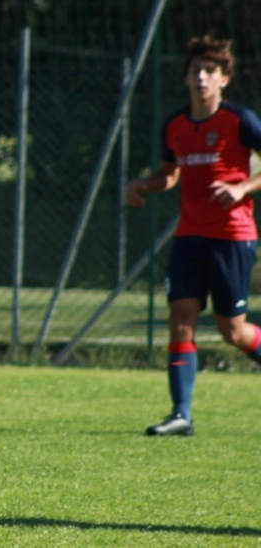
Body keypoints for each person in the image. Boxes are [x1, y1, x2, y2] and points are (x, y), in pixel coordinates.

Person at [125, 35, 261, 437]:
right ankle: (180, 414)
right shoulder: (176, 125)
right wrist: (143, 185)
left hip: (232, 236)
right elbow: (170, 174)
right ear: (185, 79)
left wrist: (241, 188)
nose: (201, 78)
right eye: (195, 71)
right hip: (189, 236)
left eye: (210, 72)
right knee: (180, 319)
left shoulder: (240, 122)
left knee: (232, 331)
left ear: (224, 80)